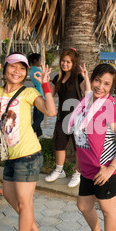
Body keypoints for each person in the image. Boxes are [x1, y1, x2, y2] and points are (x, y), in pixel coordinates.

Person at [0, 52, 56, 231]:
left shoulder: (28, 92)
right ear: (4, 69)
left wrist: (45, 85)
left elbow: (50, 111)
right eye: (13, 67)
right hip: (11, 156)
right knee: (8, 195)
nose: (17, 71)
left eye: (22, 68)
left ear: (26, 73)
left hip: (29, 154)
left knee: (25, 203)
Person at [68, 63, 116, 231]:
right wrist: (78, 160)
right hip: (87, 168)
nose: (100, 86)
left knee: (107, 209)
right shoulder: (86, 103)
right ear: (92, 79)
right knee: (84, 205)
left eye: (106, 83)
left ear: (111, 87)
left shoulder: (110, 108)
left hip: (105, 170)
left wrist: (110, 168)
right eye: (97, 80)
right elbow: (81, 134)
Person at [45, 48, 90, 187]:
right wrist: (45, 82)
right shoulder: (58, 78)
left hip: (78, 119)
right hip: (62, 118)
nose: (64, 64)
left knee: (78, 146)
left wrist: (86, 77)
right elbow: (49, 95)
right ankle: (59, 170)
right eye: (63, 61)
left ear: (73, 63)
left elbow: (88, 94)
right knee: (59, 144)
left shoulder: (78, 77)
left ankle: (78, 172)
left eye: (68, 62)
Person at [28, 53, 45, 138]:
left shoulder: (32, 70)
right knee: (40, 116)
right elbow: (44, 79)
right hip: (40, 94)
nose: (40, 61)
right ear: (35, 60)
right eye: (39, 60)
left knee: (36, 116)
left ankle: (39, 134)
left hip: (36, 93)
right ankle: (30, 132)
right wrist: (43, 69)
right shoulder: (37, 71)